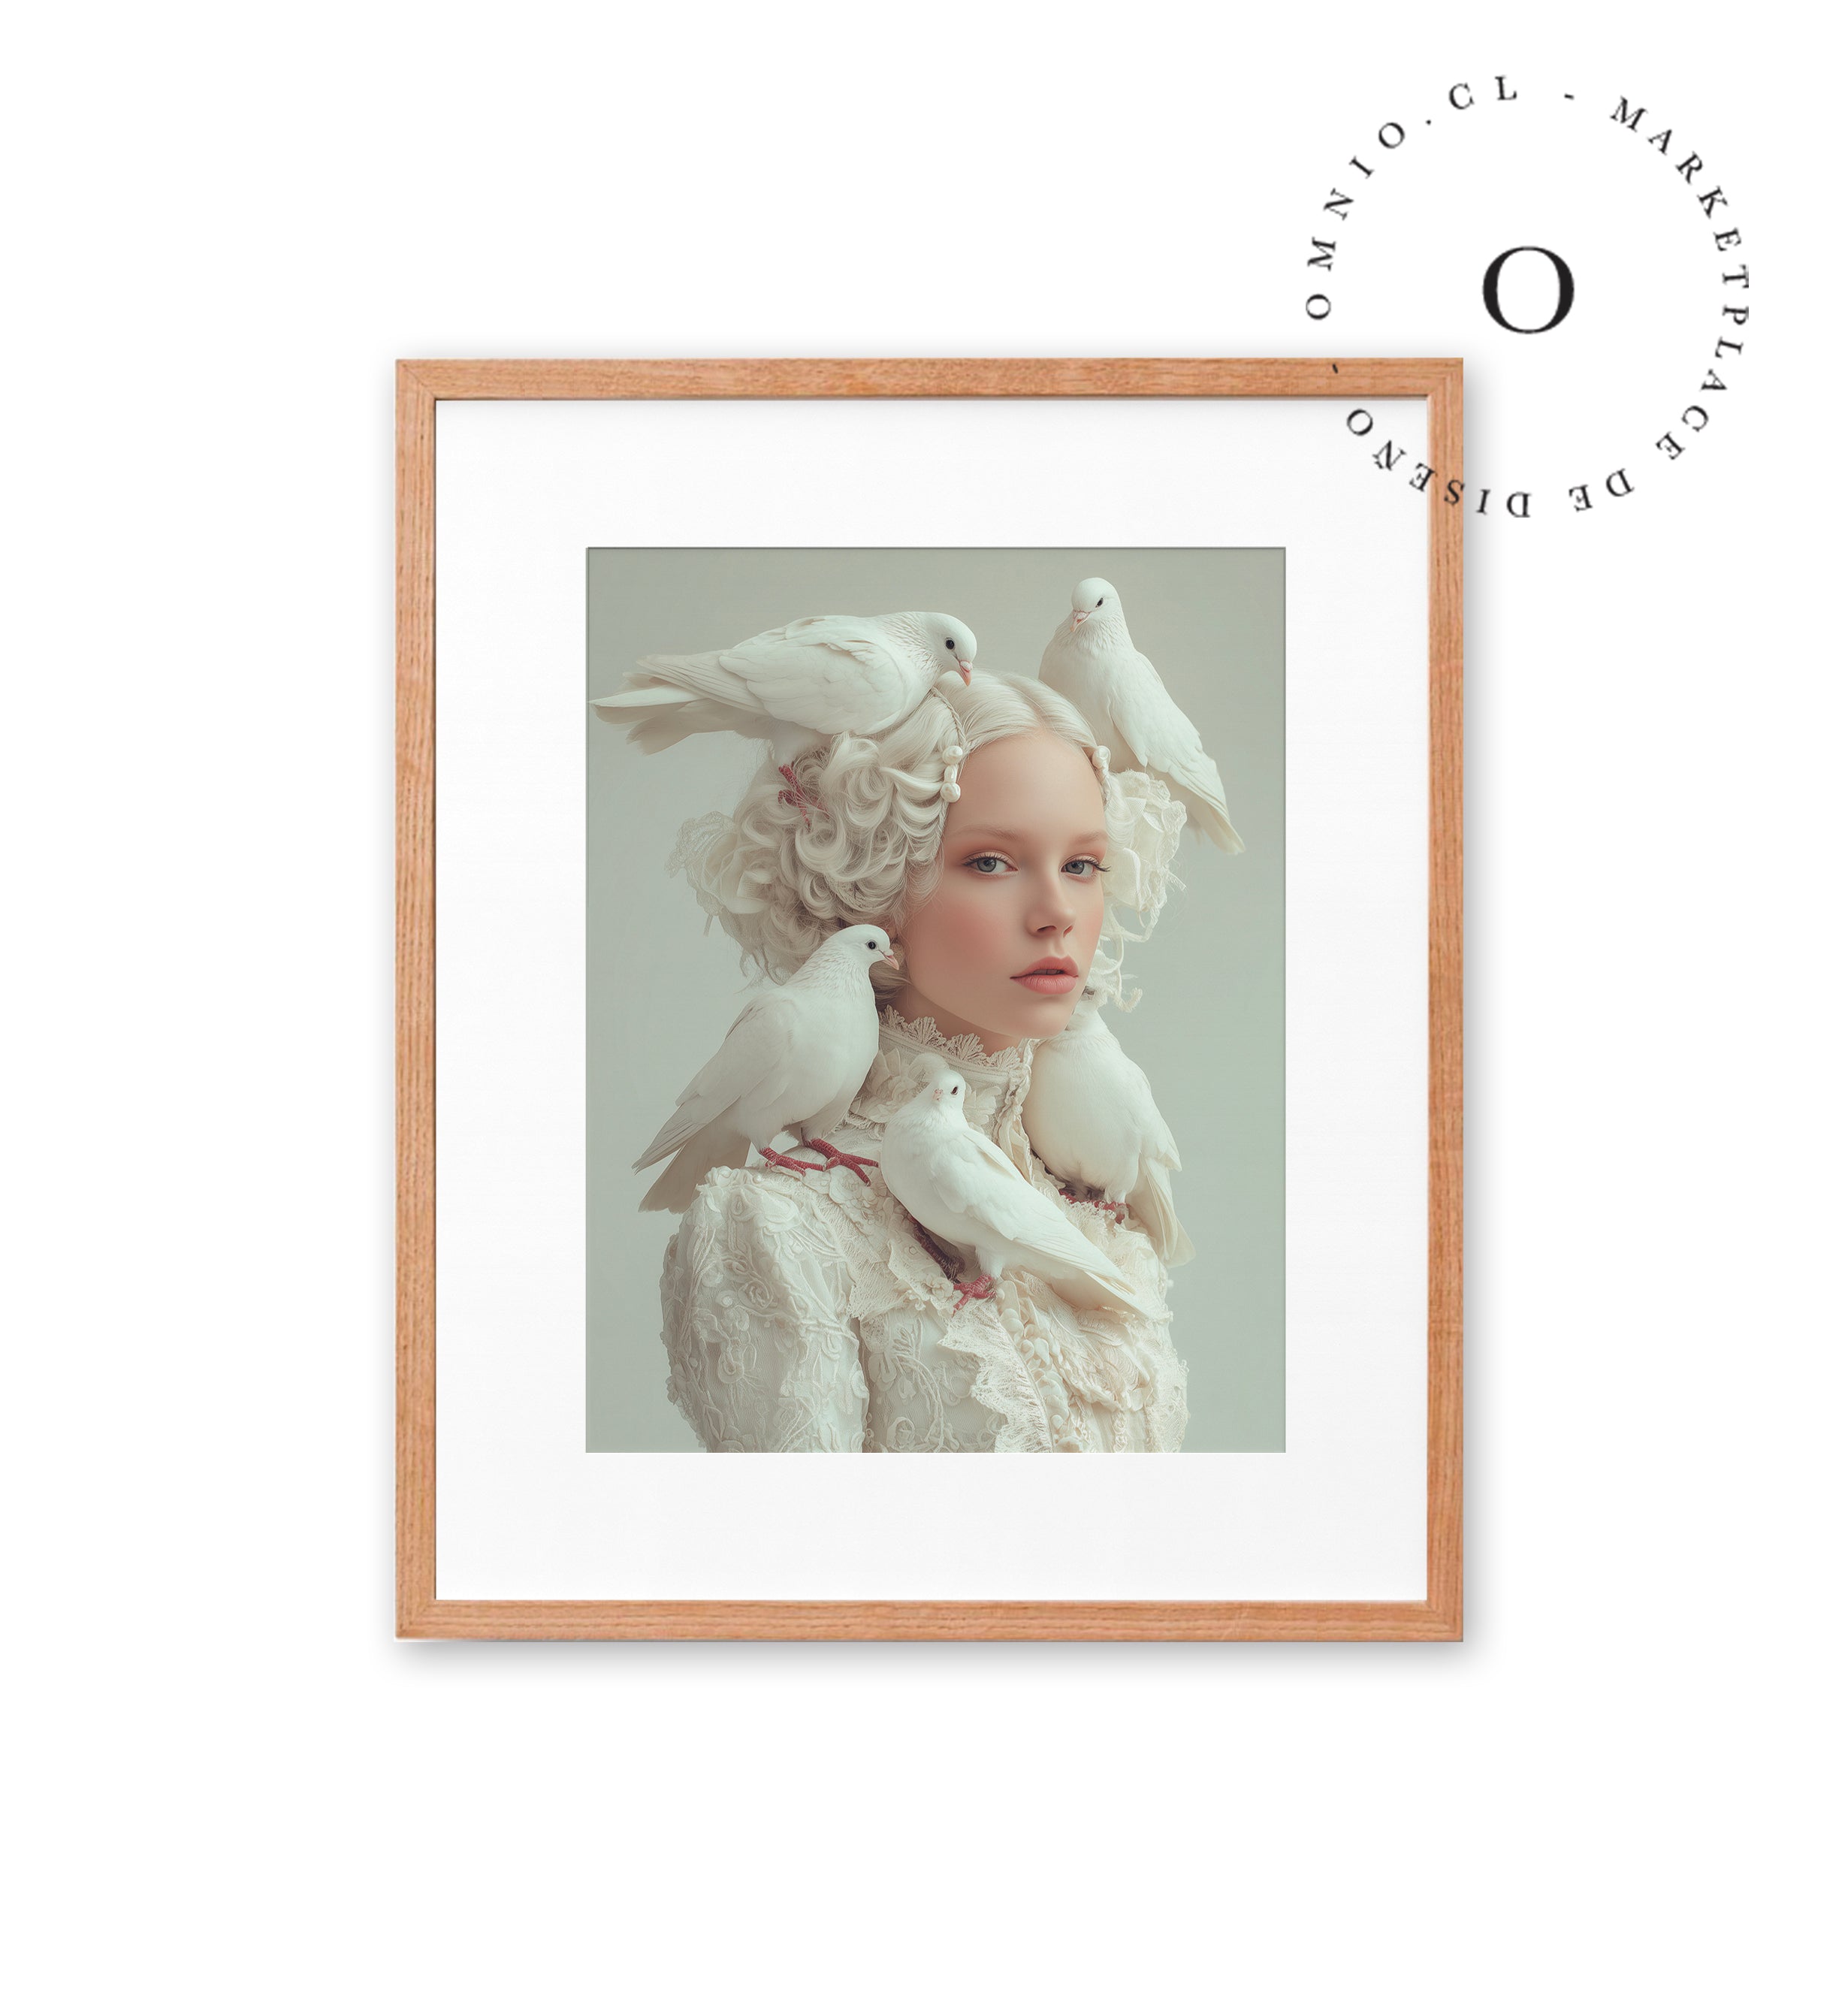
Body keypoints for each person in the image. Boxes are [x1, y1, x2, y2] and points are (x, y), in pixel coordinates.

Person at [657, 670, 1190, 1453]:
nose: (1058, 914)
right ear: (875, 887)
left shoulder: (1092, 1199)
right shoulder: (781, 1226)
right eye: (991, 863)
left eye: (1082, 865)